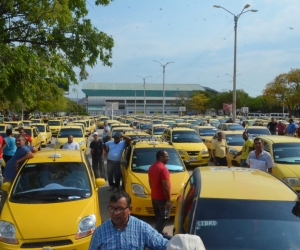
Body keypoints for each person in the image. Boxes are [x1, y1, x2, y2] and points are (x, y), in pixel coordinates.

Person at [88, 191, 168, 250]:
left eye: (120, 209)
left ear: (130, 209)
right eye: (112, 209)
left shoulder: (142, 228)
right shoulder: (99, 233)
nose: (115, 213)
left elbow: (164, 245)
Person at [0, 134, 37, 213]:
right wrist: (30, 147)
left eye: (19, 140)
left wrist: (18, 161)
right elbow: (35, 149)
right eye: (16, 140)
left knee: (4, 197)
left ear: (24, 141)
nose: (17, 142)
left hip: (10, 177)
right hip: (9, 176)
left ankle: (2, 213)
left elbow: (31, 154)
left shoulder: (23, 148)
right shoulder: (23, 147)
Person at [148, 150, 172, 235]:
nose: (168, 158)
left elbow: (150, 182)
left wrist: (154, 191)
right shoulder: (163, 169)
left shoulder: (151, 167)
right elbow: (165, 186)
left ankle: (160, 232)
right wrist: (168, 200)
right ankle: (154, 234)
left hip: (154, 197)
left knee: (158, 216)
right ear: (161, 157)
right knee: (165, 217)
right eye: (166, 156)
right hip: (163, 199)